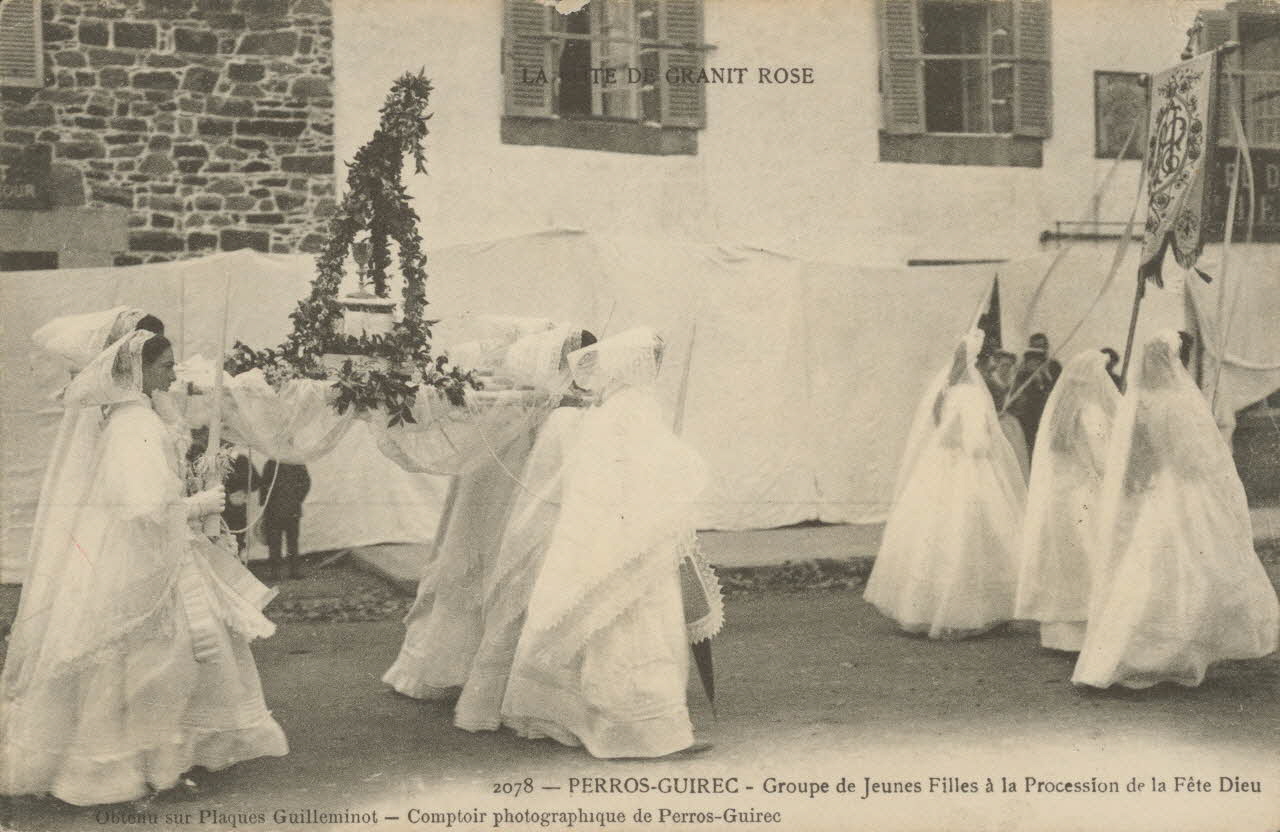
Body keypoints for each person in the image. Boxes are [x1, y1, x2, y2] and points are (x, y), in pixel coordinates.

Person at [1, 331, 286, 806]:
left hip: (162, 553)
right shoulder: (133, 425)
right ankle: (129, 768)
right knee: (156, 663)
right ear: (139, 370)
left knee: (181, 656)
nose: (172, 374)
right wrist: (196, 504)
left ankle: (166, 763)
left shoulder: (143, 417)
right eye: (165, 366)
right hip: (143, 560)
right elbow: (141, 503)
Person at [500, 327, 711, 758]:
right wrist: (682, 467)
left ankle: (612, 721)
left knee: (614, 626)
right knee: (636, 627)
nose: (657, 367)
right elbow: (650, 468)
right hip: (631, 534)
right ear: (634, 365)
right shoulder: (632, 407)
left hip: (618, 531)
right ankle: (641, 730)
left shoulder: (609, 406)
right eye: (653, 359)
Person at [382, 325, 590, 703]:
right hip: (494, 490)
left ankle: (509, 677)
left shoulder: (554, 407)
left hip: (528, 494)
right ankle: (457, 670)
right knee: (476, 559)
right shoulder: (512, 403)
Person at [1072, 331, 1278, 689]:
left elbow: (1135, 457)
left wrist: (1145, 480)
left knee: (1153, 566)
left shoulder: (1137, 402)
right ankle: (1176, 648)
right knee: (1197, 564)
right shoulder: (1180, 402)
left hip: (1159, 491)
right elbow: (1194, 458)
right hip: (1187, 489)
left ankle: (1140, 651)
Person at [864, 329, 1027, 639]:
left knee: (933, 533)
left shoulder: (944, 392)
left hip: (938, 465)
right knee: (974, 532)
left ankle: (924, 607)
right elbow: (977, 442)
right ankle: (975, 609)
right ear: (976, 365)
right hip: (969, 467)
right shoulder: (974, 396)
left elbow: (939, 430)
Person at [1015, 350, 1120, 652]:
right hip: (1084, 494)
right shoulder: (1091, 412)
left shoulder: (1060, 412)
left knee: (1064, 561)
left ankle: (1059, 632)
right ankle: (1086, 630)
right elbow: (1103, 460)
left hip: (1060, 496)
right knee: (1089, 556)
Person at [1007, 333, 1062, 457]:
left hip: (1045, 410)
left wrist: (1044, 378)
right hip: (1026, 413)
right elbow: (1015, 390)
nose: (1039, 349)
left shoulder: (1054, 366)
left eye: (1042, 346)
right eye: (1035, 346)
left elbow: (1058, 389)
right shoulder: (1022, 367)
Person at [259, 460, 311, 581]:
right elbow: (264, 485)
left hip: (291, 510)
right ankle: (275, 571)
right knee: (274, 542)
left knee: (292, 541)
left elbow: (306, 483)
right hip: (274, 510)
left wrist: (297, 499)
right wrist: (265, 503)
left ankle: (293, 570)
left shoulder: (297, 463)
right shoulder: (271, 463)